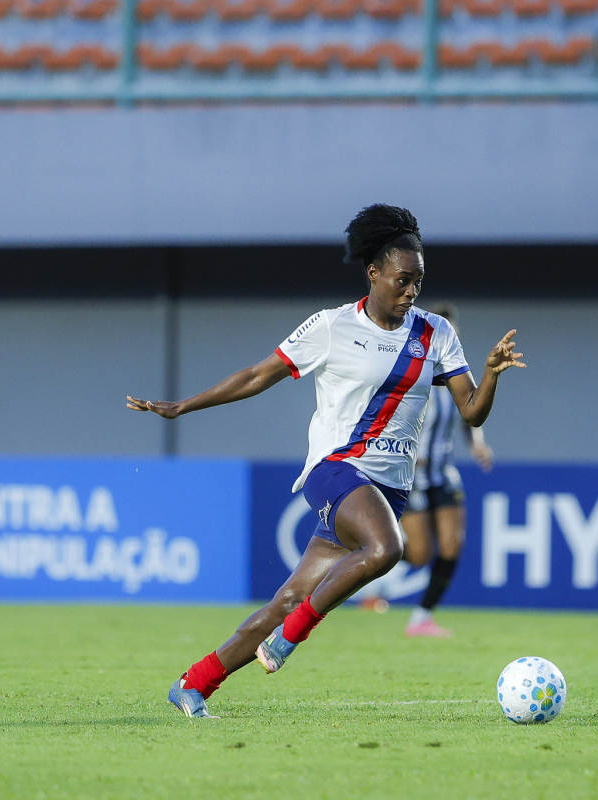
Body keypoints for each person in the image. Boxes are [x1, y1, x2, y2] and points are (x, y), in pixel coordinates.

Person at [126, 204, 526, 718]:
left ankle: (194, 682)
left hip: (390, 488)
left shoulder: (436, 334)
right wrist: (183, 406)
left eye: (419, 282)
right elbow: (257, 375)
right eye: (403, 280)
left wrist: (491, 374)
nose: (411, 291)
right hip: (336, 470)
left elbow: (471, 412)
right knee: (387, 548)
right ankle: (289, 639)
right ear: (374, 272)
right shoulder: (333, 327)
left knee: (288, 599)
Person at [399, 302, 494, 638]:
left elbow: (470, 411)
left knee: (453, 544)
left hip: (444, 471)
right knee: (420, 553)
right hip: (411, 475)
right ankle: (372, 546)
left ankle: (422, 617)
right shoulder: (414, 371)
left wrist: (477, 443)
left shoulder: (456, 374)